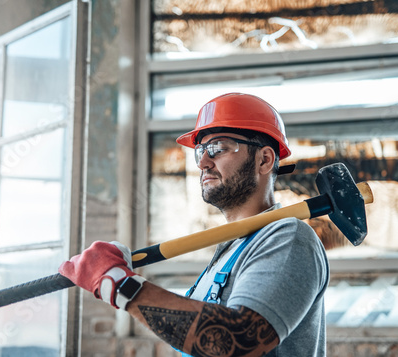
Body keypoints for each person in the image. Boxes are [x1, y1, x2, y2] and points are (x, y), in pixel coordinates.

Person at [59, 93, 330, 356]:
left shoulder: (288, 239)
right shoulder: (229, 250)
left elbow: (237, 341)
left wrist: (119, 284)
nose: (202, 162)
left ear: (264, 159)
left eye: (218, 148)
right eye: (200, 150)